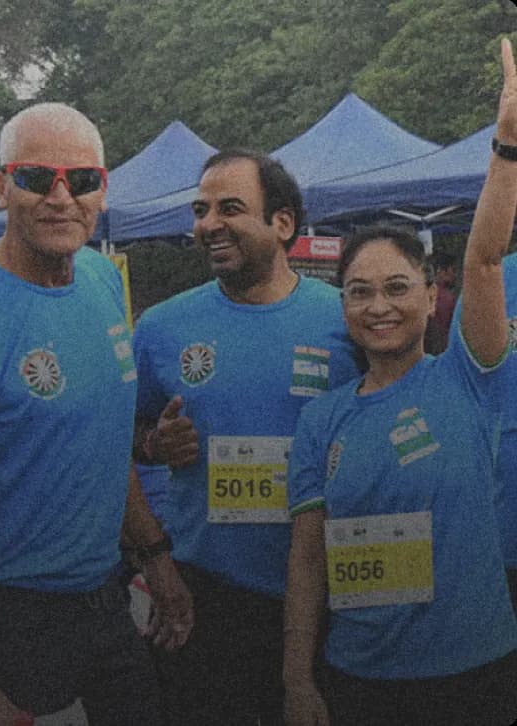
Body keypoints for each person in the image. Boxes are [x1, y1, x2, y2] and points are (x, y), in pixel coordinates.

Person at [0, 102, 193, 726]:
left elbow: (103, 444)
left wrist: (156, 555)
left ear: (103, 189)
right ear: (1, 188)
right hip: (10, 615)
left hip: (105, 596)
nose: (61, 198)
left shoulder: (99, 279)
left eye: (83, 180)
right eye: (38, 178)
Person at [284, 39, 517, 726]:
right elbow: (305, 563)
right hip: (361, 680)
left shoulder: (470, 378)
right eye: (359, 292)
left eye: (395, 287)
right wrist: (298, 680)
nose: (378, 306)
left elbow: (483, 259)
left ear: (427, 294)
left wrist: (506, 147)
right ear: (343, 305)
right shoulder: (322, 421)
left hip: (477, 677)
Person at [133, 149, 359, 725]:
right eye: (201, 210)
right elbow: (123, 443)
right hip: (208, 598)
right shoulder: (161, 328)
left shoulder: (347, 320)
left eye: (230, 208)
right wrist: (156, 445)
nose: (210, 224)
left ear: (282, 223)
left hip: (331, 591)